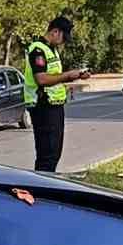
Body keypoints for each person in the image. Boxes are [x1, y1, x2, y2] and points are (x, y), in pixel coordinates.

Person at [23, 16, 90, 173]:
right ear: (55, 31)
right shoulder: (38, 50)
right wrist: (68, 75)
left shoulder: (51, 50)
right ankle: (42, 189)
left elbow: (54, 77)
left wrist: (78, 76)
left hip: (53, 106)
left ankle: (46, 184)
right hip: (43, 106)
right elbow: (42, 79)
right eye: (63, 37)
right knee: (47, 154)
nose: (63, 42)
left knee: (54, 153)